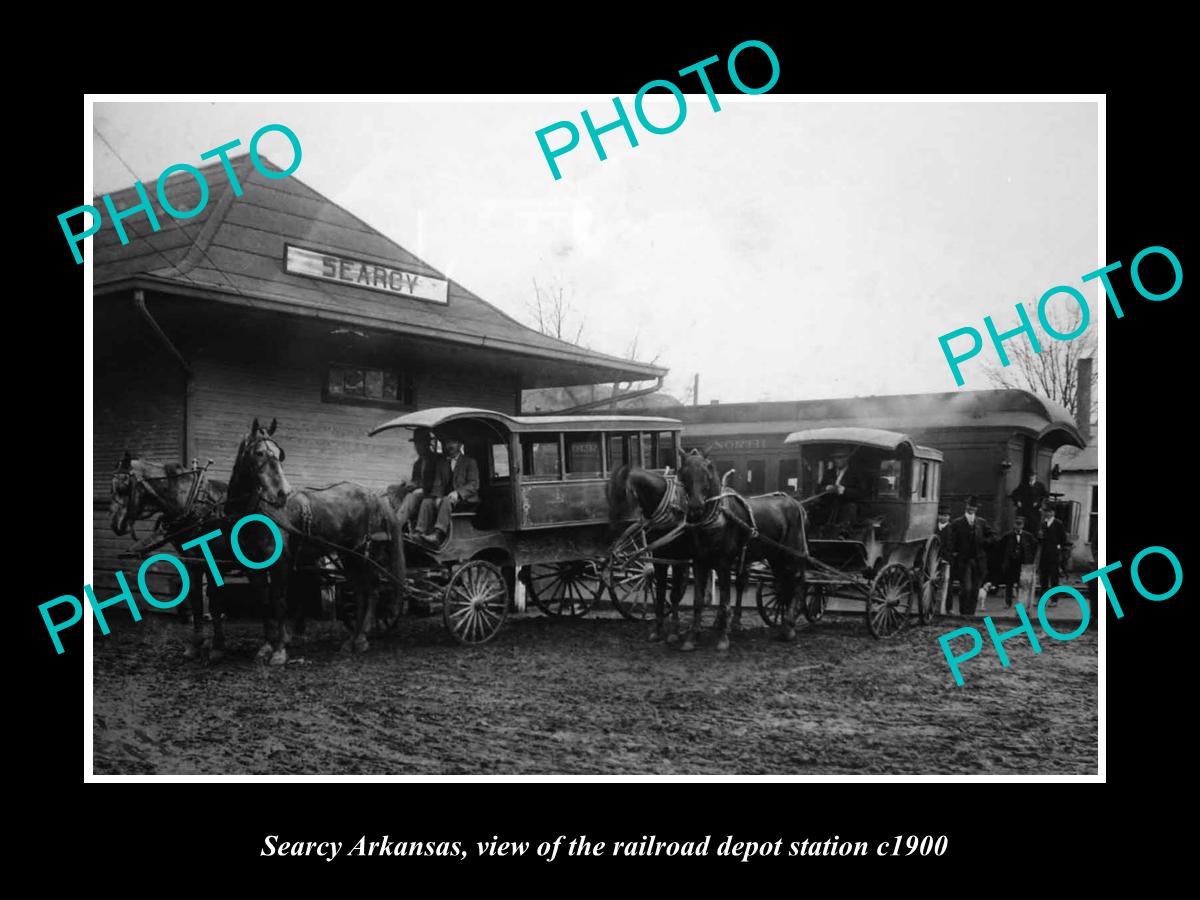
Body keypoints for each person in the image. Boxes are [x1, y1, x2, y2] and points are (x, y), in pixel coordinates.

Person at [417, 433, 480, 547]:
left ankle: (438, 534)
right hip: (448, 500)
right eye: (447, 443)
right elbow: (438, 483)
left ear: (460, 444)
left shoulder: (469, 462)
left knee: (446, 500)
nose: (450, 446)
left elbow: (474, 484)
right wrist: (437, 496)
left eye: (453, 442)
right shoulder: (442, 463)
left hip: (466, 500)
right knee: (427, 501)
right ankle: (419, 532)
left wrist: (458, 493)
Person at [945, 496, 995, 617]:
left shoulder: (981, 522)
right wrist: (954, 553)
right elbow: (950, 541)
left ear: (976, 509)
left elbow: (992, 536)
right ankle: (963, 612)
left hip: (978, 561)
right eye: (969, 506)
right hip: (964, 560)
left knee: (975, 590)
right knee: (966, 588)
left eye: (973, 507)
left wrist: (984, 542)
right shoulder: (957, 523)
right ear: (966, 506)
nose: (971, 508)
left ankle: (970, 614)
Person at [393, 427, 442, 532]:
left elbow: (439, 481)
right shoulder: (417, 464)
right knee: (393, 490)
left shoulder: (437, 460)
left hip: (433, 492)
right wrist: (409, 484)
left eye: (421, 444)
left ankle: (396, 525)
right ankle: (396, 520)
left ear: (427, 444)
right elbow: (416, 480)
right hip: (420, 491)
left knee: (413, 495)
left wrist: (419, 487)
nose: (418, 448)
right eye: (416, 445)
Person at [816, 447, 868, 529]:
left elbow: (861, 493)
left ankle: (843, 533)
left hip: (847, 509)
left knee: (851, 508)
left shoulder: (856, 474)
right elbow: (818, 490)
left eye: (840, 457)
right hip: (829, 508)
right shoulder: (829, 473)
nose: (837, 460)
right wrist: (826, 488)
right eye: (835, 458)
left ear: (847, 458)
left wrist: (843, 490)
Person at [997, 515, 1038, 610]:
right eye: (1017, 524)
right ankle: (1008, 603)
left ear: (1023, 525)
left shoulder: (1028, 536)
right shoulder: (1008, 535)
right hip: (1011, 563)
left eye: (1020, 524)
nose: (1018, 526)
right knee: (1009, 584)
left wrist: (1030, 558)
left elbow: (1034, 546)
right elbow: (1000, 547)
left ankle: (1021, 603)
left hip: (1023, 563)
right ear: (1014, 525)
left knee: (1022, 583)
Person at [1037, 506, 1070, 605]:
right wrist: (1040, 537)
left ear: (1053, 512)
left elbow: (1063, 538)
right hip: (1044, 554)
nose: (1046, 514)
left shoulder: (1058, 523)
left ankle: (1054, 599)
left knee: (1054, 578)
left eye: (1049, 511)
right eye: (1045, 512)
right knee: (1043, 578)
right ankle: (1042, 599)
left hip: (1054, 554)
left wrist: (1058, 547)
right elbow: (1040, 539)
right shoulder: (1043, 524)